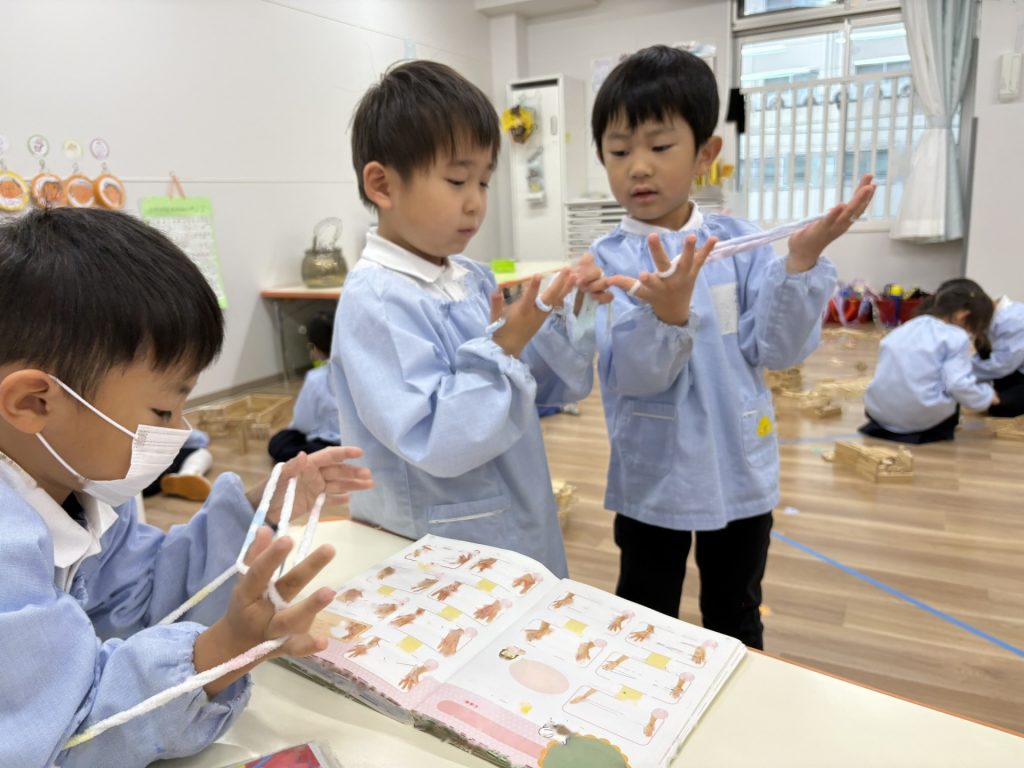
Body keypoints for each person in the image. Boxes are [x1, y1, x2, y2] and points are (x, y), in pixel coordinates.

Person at [0, 207, 373, 766]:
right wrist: (221, 651)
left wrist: (260, 507)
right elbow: (60, 736)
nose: (181, 430)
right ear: (34, 403)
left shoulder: (78, 485)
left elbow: (141, 595)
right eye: (162, 410)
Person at [588, 45, 875, 648]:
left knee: (736, 611)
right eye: (619, 151)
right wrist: (666, 316)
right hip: (654, 476)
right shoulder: (607, 262)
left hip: (738, 466)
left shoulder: (740, 245)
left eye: (659, 147)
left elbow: (778, 350)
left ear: (705, 154)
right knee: (644, 613)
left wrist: (800, 262)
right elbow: (632, 377)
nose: (638, 167)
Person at [331, 60, 609, 577]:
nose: (476, 203)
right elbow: (435, 437)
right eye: (457, 179)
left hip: (514, 517)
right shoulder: (379, 300)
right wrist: (506, 346)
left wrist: (567, 313)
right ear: (383, 185)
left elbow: (538, 390)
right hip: (436, 549)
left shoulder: (472, 279)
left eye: (483, 182)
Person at [862, 278, 998, 443]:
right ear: (963, 317)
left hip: (878, 411)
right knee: (953, 395)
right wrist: (985, 396)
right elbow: (958, 384)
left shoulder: (908, 326)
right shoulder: (956, 336)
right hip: (917, 417)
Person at [269, 310, 342, 462]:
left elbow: (304, 423)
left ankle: (328, 457)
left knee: (279, 443)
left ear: (315, 347)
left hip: (329, 441)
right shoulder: (361, 372)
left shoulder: (316, 378)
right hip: (360, 439)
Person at [972, 291, 1024, 418]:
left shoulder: (1015, 319)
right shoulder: (996, 317)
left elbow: (1002, 365)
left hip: (1015, 370)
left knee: (1000, 407)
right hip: (1012, 371)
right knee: (982, 343)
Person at [142, 427, 214, 501]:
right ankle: (188, 473)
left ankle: (185, 477)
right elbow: (200, 440)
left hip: (143, 483)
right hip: (153, 474)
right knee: (202, 452)